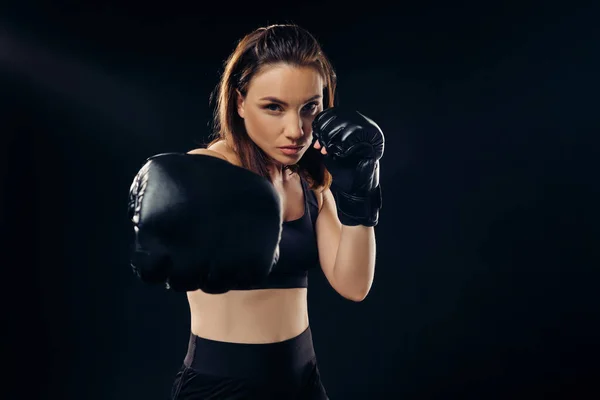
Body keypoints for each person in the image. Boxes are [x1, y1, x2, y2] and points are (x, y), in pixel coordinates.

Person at [128, 23, 385, 399]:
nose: (296, 130)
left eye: (310, 108)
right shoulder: (211, 170)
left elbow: (354, 285)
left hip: (303, 382)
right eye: (274, 108)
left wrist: (360, 197)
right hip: (221, 388)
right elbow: (180, 192)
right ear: (240, 103)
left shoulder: (310, 182)